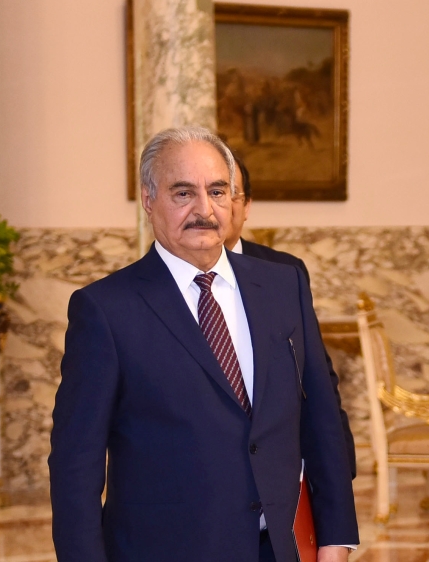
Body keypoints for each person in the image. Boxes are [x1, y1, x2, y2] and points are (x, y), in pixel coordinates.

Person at [49, 126, 358, 562]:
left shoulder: (283, 286)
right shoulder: (105, 310)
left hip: (279, 550)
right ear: (148, 199)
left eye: (217, 191)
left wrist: (336, 539)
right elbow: (75, 467)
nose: (204, 209)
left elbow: (322, 421)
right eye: (183, 193)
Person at [224, 155, 357, 479]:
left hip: (279, 464)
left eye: (229, 193)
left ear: (247, 205)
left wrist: (338, 463)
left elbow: (316, 374)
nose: (218, 205)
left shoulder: (285, 272)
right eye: (211, 192)